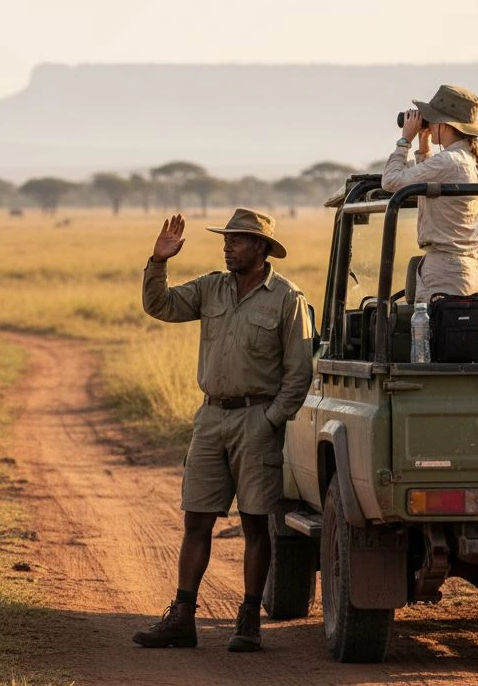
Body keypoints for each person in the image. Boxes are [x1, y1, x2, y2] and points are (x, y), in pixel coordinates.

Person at [133, 209, 313, 653]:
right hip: (211, 417)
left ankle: (248, 620)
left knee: (256, 524)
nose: (228, 246)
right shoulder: (211, 287)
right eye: (227, 239)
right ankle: (182, 618)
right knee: (196, 519)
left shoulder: (287, 298)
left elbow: (299, 372)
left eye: (239, 240)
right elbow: (159, 306)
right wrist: (158, 262)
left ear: (262, 249)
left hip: (257, 420)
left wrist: (271, 420)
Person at [382, 85, 478, 303]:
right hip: (475, 267)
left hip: (447, 271)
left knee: (436, 335)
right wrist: (423, 148)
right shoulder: (476, 158)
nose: (428, 124)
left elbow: (391, 181)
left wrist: (405, 141)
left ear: (444, 124)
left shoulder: (448, 161)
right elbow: (433, 178)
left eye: (431, 119)